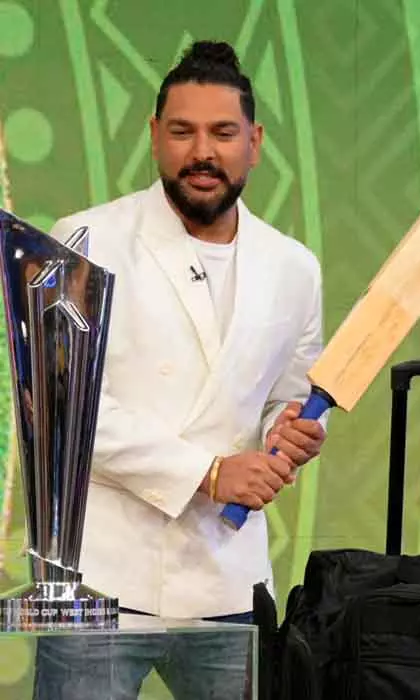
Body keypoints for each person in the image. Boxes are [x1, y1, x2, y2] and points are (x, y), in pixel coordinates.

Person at [32, 40, 328, 699]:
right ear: (154, 136)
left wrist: (293, 430)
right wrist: (210, 474)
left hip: (228, 581)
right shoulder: (83, 239)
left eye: (222, 133)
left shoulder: (294, 268)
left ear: (254, 141)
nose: (202, 152)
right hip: (95, 576)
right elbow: (60, 406)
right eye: (182, 131)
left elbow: (290, 395)